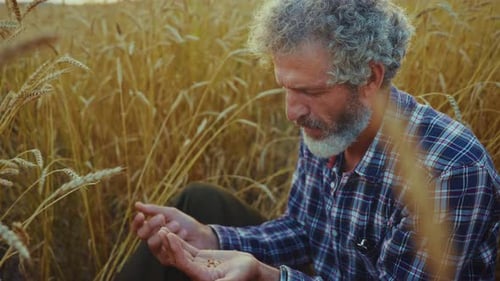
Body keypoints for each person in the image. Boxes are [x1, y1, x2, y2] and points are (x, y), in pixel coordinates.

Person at [116, 0, 500, 280]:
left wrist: (267, 277)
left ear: (370, 78)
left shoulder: (448, 170)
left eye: (310, 91)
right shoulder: (328, 126)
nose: (292, 112)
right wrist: (210, 236)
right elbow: (305, 231)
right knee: (198, 203)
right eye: (286, 88)